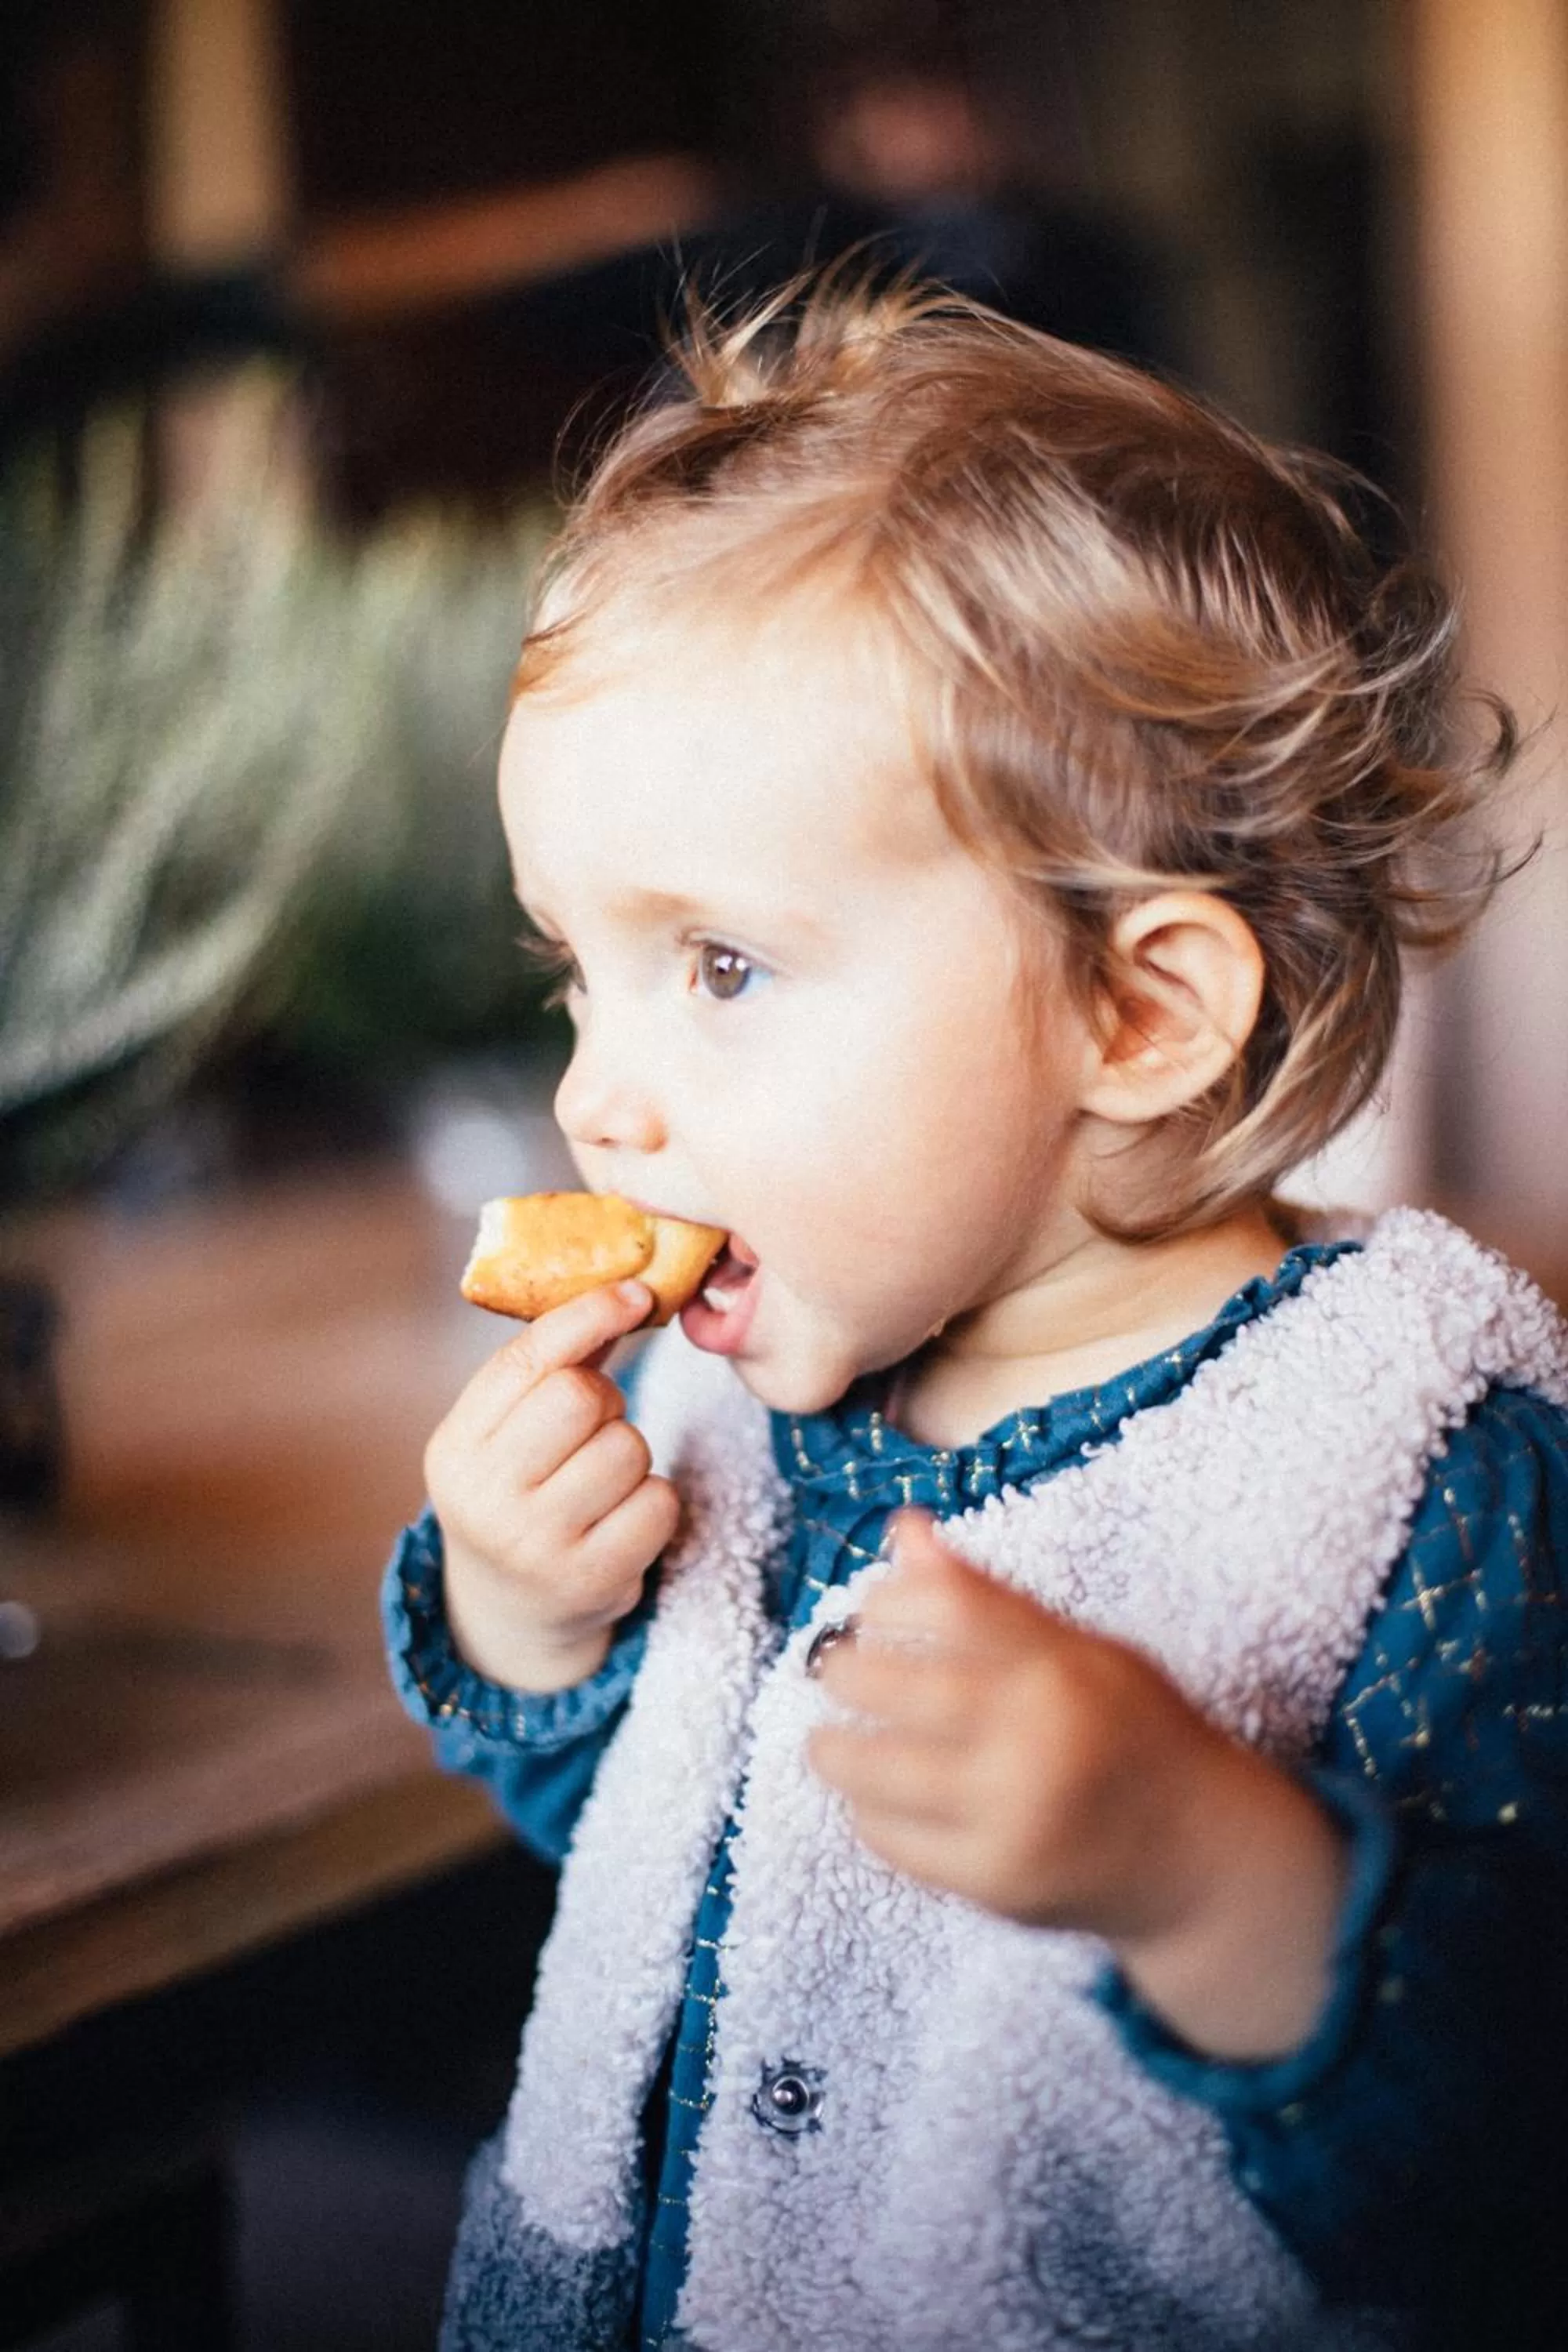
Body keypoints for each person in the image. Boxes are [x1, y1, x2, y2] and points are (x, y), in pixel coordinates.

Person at [383, 278, 1568, 2352]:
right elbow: (687, 1892)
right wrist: (533, 1623)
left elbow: (1514, 2161)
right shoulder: (755, 1374)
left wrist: (1211, 1879)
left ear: (1137, 1009)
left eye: (720, 969)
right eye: (577, 969)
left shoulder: (1423, 1477)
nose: (594, 1093)